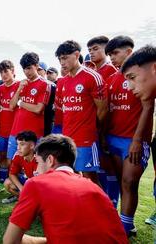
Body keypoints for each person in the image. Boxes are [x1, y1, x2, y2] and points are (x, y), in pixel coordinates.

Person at [3, 134, 128, 244]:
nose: (37, 170)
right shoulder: (94, 187)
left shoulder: (35, 184)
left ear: (50, 160)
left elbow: (10, 241)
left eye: (39, 163)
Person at [106, 37, 153, 235]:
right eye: (110, 55)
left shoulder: (141, 76)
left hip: (134, 140)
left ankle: (125, 227)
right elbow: (108, 110)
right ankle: (122, 222)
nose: (112, 58)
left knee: (129, 182)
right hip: (113, 138)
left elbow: (148, 106)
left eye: (115, 53)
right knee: (119, 182)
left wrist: (137, 140)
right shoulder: (112, 79)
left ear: (129, 51)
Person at [55, 40, 108, 184]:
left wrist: (93, 129)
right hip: (67, 139)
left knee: (89, 179)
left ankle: (98, 206)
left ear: (77, 55)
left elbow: (103, 109)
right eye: (60, 59)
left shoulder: (92, 77)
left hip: (86, 138)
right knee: (72, 176)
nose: (62, 62)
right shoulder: (63, 81)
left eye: (65, 58)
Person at [87, 35, 119, 207]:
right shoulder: (94, 73)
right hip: (93, 129)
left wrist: (102, 131)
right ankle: (101, 206)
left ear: (106, 50)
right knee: (97, 170)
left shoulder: (112, 72)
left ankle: (112, 206)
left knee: (110, 170)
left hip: (107, 130)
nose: (92, 53)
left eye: (96, 49)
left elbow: (107, 107)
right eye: (90, 50)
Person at [8, 52, 50, 160]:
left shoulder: (44, 84)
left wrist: (21, 103)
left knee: (34, 164)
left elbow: (38, 109)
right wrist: (18, 90)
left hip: (33, 133)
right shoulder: (21, 84)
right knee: (11, 162)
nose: (27, 72)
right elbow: (11, 106)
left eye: (29, 68)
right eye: (24, 69)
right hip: (16, 131)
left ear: (36, 66)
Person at [0, 60, 19, 192]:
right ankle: (2, 181)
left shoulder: (19, 86)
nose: (3, 75)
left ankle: (15, 181)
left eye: (6, 71)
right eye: (1, 72)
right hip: (2, 129)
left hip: (15, 129)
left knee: (14, 158)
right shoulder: (0, 88)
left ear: (13, 71)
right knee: (2, 155)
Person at [2, 131, 37, 204]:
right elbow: (12, 174)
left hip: (39, 186)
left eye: (22, 144)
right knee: (7, 183)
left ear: (32, 146)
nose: (18, 148)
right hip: (29, 182)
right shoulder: (18, 155)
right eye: (17, 144)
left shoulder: (40, 158)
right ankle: (21, 198)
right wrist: (21, 188)